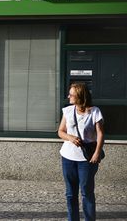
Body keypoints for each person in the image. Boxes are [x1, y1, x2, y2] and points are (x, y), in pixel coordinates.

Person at [57, 82, 105, 221]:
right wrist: (70, 137)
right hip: (68, 157)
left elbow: (101, 134)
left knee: (87, 192)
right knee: (70, 193)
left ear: (80, 96)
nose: (68, 96)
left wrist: (97, 153)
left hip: (87, 159)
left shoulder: (95, 111)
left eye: (71, 94)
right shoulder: (68, 111)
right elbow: (60, 131)